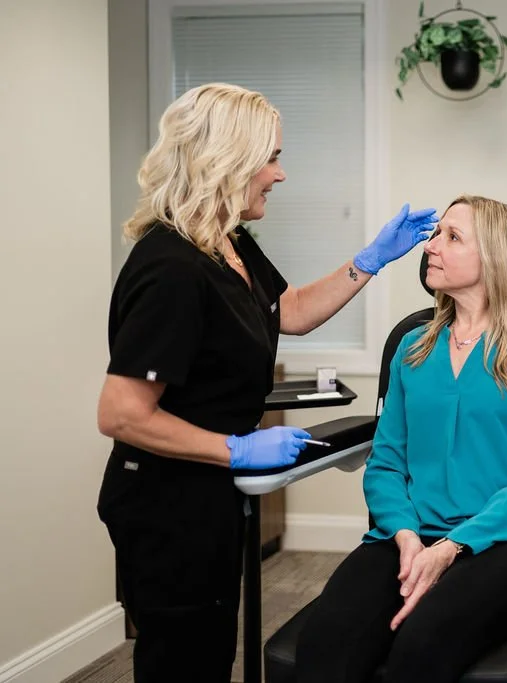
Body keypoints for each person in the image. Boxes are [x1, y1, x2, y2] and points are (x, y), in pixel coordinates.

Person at [95, 82, 437, 683]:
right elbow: (121, 413)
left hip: (210, 495)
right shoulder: (172, 267)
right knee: (182, 660)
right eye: (271, 158)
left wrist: (369, 260)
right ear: (225, 162)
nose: (279, 175)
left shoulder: (228, 243)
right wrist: (236, 448)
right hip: (166, 503)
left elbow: (292, 310)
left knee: (210, 649)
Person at [294, 195, 507, 683]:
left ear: (495, 256)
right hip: (411, 533)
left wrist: (450, 549)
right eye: (435, 234)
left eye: (452, 237)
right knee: (325, 642)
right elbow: (386, 465)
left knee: (422, 646)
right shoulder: (413, 347)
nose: (431, 246)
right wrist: (407, 537)